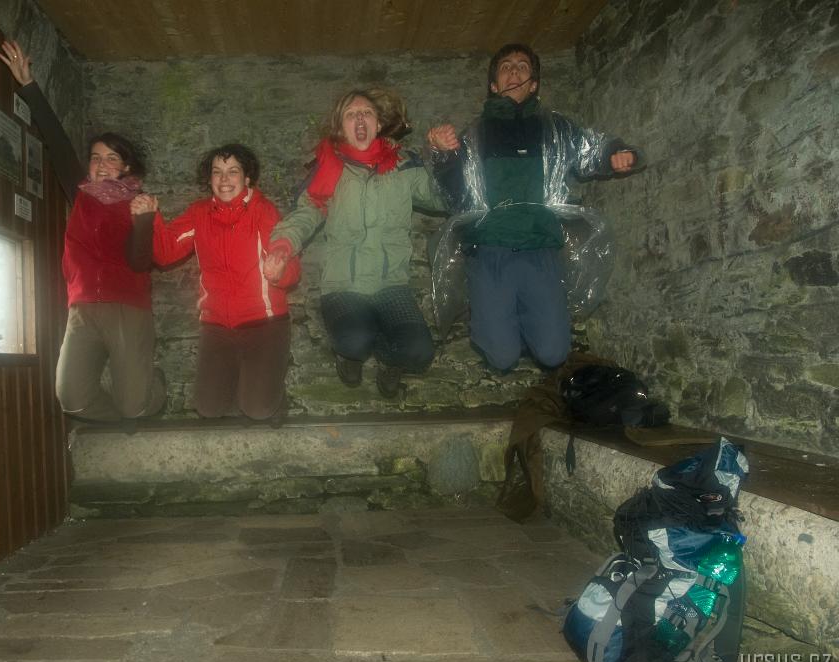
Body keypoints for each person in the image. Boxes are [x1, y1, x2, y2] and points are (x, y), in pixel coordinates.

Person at [427, 43, 642, 373]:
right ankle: (495, 315)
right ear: (494, 85)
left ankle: (515, 317)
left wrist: (617, 154)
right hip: (490, 250)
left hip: (539, 248)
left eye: (523, 66)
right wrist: (444, 155)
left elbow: (593, 149)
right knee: (502, 357)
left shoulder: (556, 128)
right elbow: (455, 197)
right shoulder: (474, 134)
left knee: (554, 353)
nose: (514, 71)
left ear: (534, 85)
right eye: (506, 67)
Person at [0, 40, 165, 422]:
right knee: (71, 398)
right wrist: (29, 86)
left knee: (136, 404)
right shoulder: (81, 194)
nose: (102, 165)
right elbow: (56, 142)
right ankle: (126, 415)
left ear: (126, 168)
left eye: (112, 158)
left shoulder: (139, 203)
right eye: (95, 158)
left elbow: (140, 262)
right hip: (83, 306)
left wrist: (143, 222)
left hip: (127, 308)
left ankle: (153, 391)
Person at [263, 88, 446, 399]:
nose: (359, 118)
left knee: (419, 352)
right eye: (351, 114)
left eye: (366, 113)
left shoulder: (404, 166)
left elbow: (443, 199)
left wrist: (444, 157)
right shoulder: (329, 169)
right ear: (341, 127)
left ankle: (389, 359)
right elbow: (305, 214)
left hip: (391, 284)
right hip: (343, 285)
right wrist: (281, 247)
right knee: (355, 340)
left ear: (378, 124)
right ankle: (349, 353)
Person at [128, 144, 298, 423]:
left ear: (247, 178)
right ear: (209, 179)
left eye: (233, 172)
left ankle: (270, 395)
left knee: (258, 409)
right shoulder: (199, 213)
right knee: (208, 408)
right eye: (217, 172)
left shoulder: (263, 211)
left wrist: (280, 272)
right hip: (218, 325)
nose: (224, 179)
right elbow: (165, 252)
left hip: (264, 324)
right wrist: (149, 218)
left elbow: (292, 268)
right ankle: (248, 386)